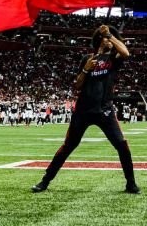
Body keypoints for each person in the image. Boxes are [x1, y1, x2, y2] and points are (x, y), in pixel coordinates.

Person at [31, 25, 138, 194]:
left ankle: (131, 183)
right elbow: (78, 85)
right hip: (83, 110)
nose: (109, 40)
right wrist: (86, 68)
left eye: (111, 38)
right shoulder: (87, 58)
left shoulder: (113, 58)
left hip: (105, 110)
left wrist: (109, 34)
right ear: (98, 40)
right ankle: (45, 181)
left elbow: (126, 53)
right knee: (68, 145)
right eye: (106, 38)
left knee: (122, 145)